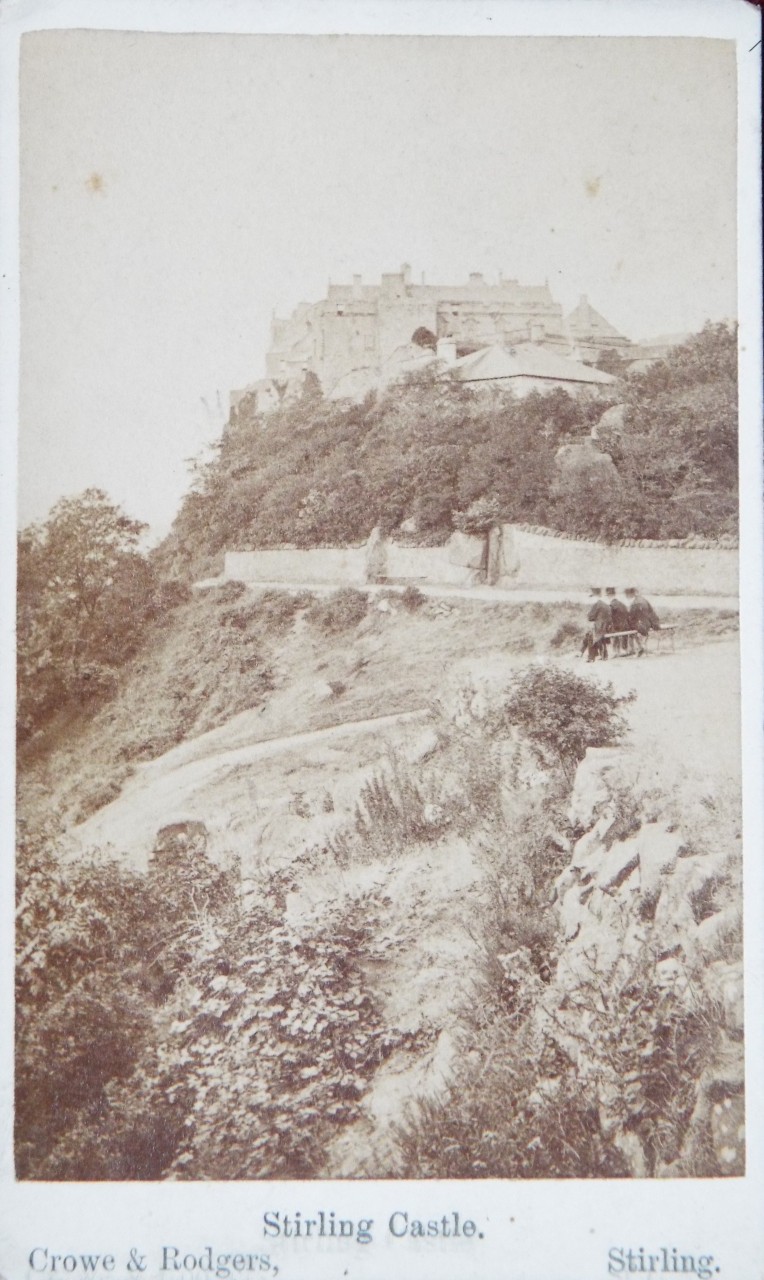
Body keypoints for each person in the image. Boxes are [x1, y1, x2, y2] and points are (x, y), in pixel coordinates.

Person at [625, 587, 660, 655]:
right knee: (632, 629)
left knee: (628, 630)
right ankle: (640, 647)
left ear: (630, 594)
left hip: (641, 625)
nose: (627, 597)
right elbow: (651, 611)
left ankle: (634, 649)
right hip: (648, 624)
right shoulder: (643, 599)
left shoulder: (634, 603)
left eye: (627, 595)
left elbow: (631, 617)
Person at [585, 587, 610, 662]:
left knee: (589, 635)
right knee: (599, 636)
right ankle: (604, 655)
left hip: (600, 628)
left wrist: (589, 615)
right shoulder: (606, 604)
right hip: (607, 628)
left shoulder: (597, 604)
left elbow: (590, 617)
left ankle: (591, 657)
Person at [605, 587, 630, 655]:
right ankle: (622, 649)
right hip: (626, 627)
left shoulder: (611, 605)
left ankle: (614, 650)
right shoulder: (622, 604)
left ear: (609, 596)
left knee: (606, 629)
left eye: (607, 596)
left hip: (618, 628)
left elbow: (608, 618)